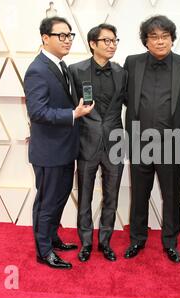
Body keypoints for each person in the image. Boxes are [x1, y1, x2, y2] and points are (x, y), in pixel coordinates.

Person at [123, 15, 180, 263]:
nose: (159, 41)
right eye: (153, 36)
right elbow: (126, 99)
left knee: (171, 195)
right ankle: (137, 239)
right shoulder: (132, 63)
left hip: (173, 144)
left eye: (164, 36)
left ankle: (170, 241)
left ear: (172, 39)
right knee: (139, 194)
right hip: (139, 142)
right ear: (145, 40)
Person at [24, 16, 94, 269]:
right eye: (61, 36)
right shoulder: (37, 69)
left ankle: (51, 238)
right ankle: (44, 252)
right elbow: (37, 112)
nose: (67, 40)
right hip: (49, 152)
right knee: (47, 202)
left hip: (65, 149)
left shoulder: (61, 66)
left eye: (69, 35)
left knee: (59, 199)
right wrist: (73, 114)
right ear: (45, 38)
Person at [69, 24, 126, 262]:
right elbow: (71, 105)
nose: (112, 45)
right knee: (85, 195)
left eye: (114, 41)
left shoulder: (122, 72)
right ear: (93, 44)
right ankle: (85, 243)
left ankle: (105, 242)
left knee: (112, 196)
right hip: (86, 142)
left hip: (115, 142)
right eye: (106, 41)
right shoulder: (75, 70)